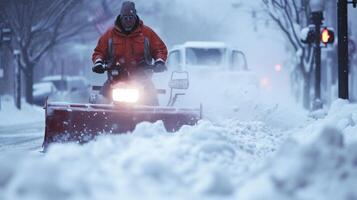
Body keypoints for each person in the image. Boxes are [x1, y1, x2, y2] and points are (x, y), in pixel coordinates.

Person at [92, 1, 167, 105]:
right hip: (115, 78)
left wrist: (159, 62)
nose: (128, 20)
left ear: (135, 16)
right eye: (125, 17)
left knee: (152, 101)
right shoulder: (110, 34)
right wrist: (98, 63)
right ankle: (98, 118)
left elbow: (160, 49)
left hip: (142, 78)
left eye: (130, 17)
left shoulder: (146, 33)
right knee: (100, 102)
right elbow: (99, 51)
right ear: (121, 17)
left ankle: (156, 119)